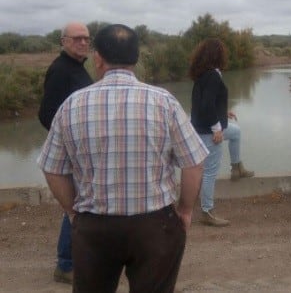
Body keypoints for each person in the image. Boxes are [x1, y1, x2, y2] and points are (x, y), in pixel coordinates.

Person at [37, 24, 208, 293]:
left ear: (98, 58)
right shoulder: (165, 102)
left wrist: (73, 212)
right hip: (155, 227)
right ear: (136, 59)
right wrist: (185, 210)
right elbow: (195, 162)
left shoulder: (72, 104)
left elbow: (51, 169)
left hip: (94, 229)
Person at [37, 22, 93, 284]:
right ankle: (66, 263)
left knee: (79, 203)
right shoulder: (60, 71)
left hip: (81, 150)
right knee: (76, 204)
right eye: (77, 38)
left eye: (86, 39)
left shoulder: (77, 69)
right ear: (64, 41)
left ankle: (73, 259)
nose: (83, 42)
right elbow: (47, 114)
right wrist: (69, 142)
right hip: (73, 151)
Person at [189, 38, 254, 227]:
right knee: (210, 172)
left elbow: (202, 104)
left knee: (235, 132)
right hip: (209, 132)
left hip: (202, 127)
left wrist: (223, 113)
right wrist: (217, 128)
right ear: (218, 55)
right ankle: (207, 211)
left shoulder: (203, 74)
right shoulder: (213, 76)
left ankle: (237, 167)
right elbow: (207, 104)